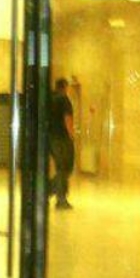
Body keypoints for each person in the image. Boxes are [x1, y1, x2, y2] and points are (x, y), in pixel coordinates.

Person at [49, 77, 75, 209]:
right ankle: (59, 197)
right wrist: (71, 134)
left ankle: (50, 191)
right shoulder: (64, 99)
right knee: (66, 168)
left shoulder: (49, 98)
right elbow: (67, 118)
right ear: (65, 87)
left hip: (50, 138)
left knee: (61, 168)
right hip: (62, 138)